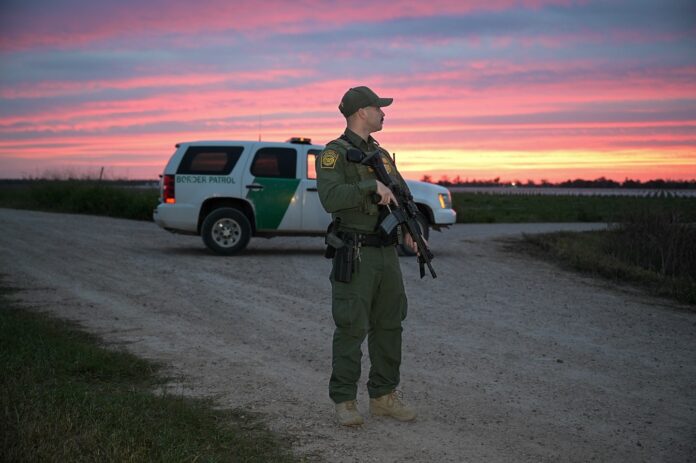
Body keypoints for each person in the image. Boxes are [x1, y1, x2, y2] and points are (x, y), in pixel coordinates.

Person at [316, 86, 417, 426]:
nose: (383, 112)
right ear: (361, 112)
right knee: (351, 326)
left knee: (390, 324)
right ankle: (344, 401)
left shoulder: (382, 154)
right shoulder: (334, 154)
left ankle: (383, 396)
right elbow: (330, 198)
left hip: (386, 253)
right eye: (378, 107)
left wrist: (407, 229)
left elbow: (400, 193)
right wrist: (369, 187)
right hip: (355, 252)